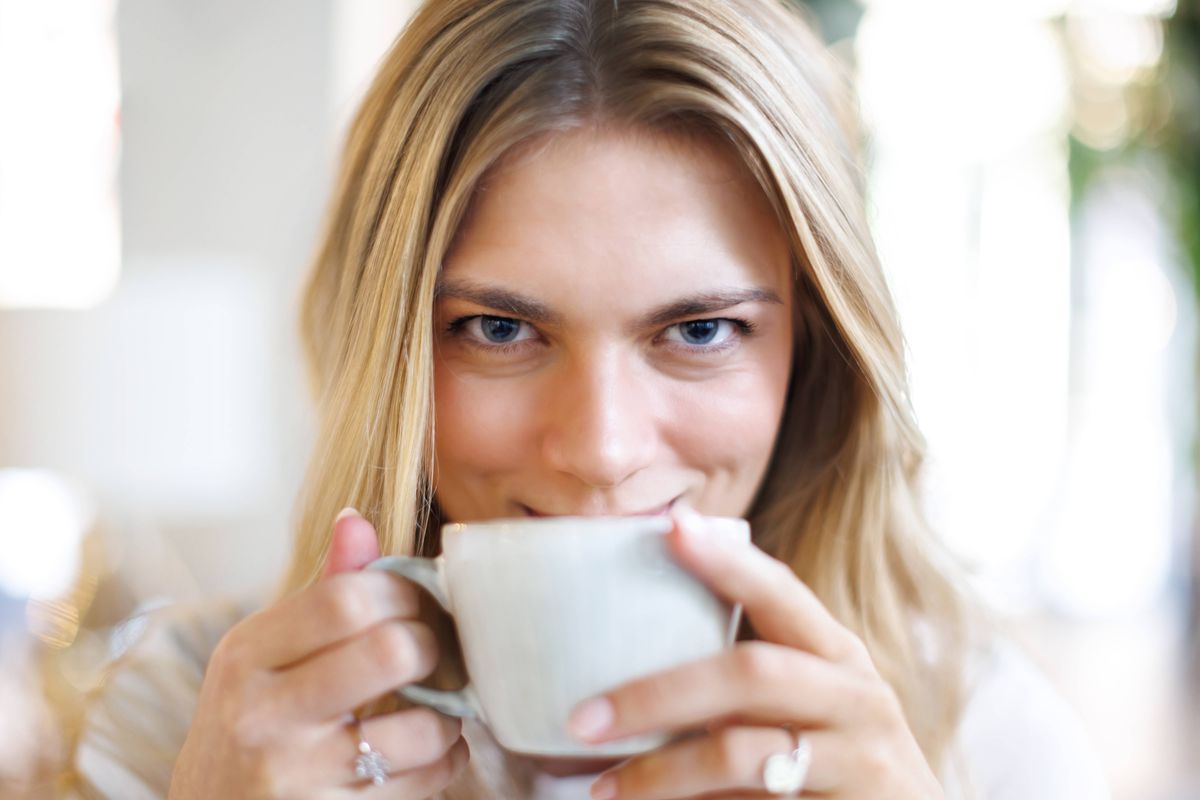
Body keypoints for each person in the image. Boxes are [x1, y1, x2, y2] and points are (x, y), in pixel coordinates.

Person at [65, 0, 1110, 798]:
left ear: (816, 353)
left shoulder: (983, 738)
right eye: (500, 329)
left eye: (700, 330)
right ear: (388, 346)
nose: (603, 450)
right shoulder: (191, 719)